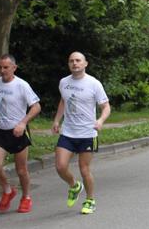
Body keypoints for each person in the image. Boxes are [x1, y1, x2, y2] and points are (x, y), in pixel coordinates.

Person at [52, 51, 111, 214]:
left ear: (85, 64)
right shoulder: (64, 82)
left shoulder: (94, 83)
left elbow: (106, 107)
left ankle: (90, 199)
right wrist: (57, 120)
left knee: (84, 169)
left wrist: (100, 121)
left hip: (87, 133)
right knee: (60, 166)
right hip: (68, 132)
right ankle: (74, 185)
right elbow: (63, 101)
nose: (75, 63)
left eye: (78, 60)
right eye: (71, 61)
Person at [0, 54, 41, 213]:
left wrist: (23, 123)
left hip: (18, 132)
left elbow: (36, 107)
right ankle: (8, 190)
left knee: (21, 170)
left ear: (14, 68)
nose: (2, 70)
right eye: (0, 67)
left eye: (6, 67)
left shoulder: (22, 85)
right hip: (0, 131)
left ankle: (26, 197)